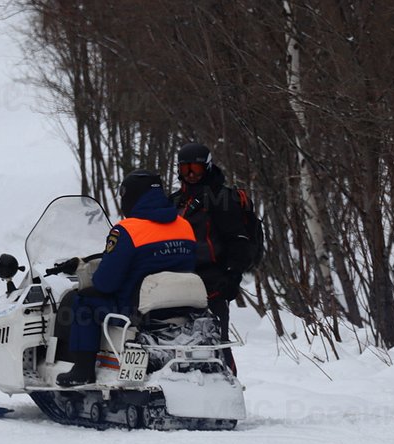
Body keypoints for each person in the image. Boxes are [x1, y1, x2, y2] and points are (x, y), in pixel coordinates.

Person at [56, 170, 196, 387]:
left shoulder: (127, 230)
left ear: (131, 197)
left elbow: (106, 282)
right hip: (180, 308)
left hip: (134, 310)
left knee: (82, 301)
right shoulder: (184, 226)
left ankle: (83, 370)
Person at [169, 142, 263, 373]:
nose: (190, 175)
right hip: (175, 281)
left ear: (208, 168)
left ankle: (227, 386)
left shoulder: (222, 199)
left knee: (215, 341)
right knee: (177, 341)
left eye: (196, 169)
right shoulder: (174, 202)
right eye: (185, 169)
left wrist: (232, 276)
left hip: (213, 281)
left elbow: (238, 241)